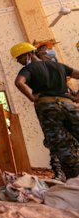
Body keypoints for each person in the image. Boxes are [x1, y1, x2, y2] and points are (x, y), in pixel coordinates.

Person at [11, 42, 79, 179]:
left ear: (28, 54)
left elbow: (19, 82)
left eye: (19, 58)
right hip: (69, 105)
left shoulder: (30, 68)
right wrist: (76, 97)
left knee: (62, 147)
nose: (19, 62)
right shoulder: (58, 66)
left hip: (48, 108)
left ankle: (75, 180)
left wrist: (31, 97)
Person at [32, 40, 66, 181]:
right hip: (48, 108)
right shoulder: (36, 68)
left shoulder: (58, 67)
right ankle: (59, 171)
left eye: (49, 50)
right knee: (54, 139)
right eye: (44, 50)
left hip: (64, 104)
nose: (48, 52)